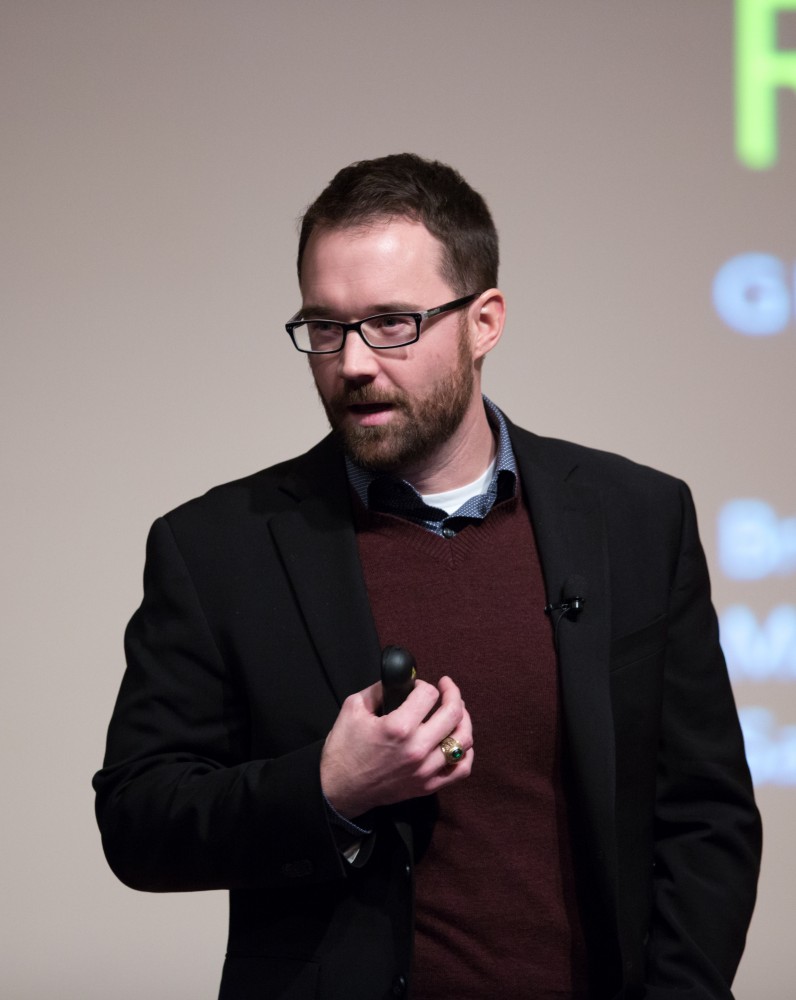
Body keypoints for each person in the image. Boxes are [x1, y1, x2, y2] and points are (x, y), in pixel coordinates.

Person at [93, 153, 762, 1000]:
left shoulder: (636, 519)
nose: (354, 363)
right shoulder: (219, 547)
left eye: (393, 323)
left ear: (484, 321)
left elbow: (706, 817)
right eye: (325, 328)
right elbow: (138, 819)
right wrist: (329, 786)